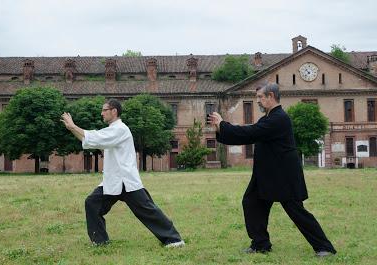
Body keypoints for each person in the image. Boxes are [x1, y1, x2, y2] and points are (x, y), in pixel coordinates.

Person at [208, 83, 336, 257]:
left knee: (296, 211)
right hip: (266, 175)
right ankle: (260, 244)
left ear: (270, 96)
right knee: (252, 203)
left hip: (284, 176)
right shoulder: (268, 118)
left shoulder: (279, 118)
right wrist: (220, 129)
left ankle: (324, 247)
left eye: (260, 97)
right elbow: (249, 136)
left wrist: (223, 124)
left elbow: (250, 133)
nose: (258, 101)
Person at [61, 99, 184, 248]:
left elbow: (95, 138)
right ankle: (100, 242)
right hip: (113, 181)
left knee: (147, 210)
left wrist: (74, 126)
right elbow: (91, 141)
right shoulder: (112, 130)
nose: (102, 113)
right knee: (92, 203)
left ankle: (174, 240)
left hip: (126, 181)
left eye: (104, 110)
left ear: (114, 111)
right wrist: (72, 129)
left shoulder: (120, 129)